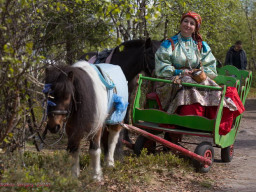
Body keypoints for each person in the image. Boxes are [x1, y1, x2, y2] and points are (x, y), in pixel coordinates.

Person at [154, 11, 244, 135]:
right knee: (188, 82)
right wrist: (178, 71)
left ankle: (207, 121)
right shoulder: (169, 43)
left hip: (193, 77)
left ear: (195, 28)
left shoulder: (200, 45)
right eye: (185, 21)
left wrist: (198, 72)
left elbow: (210, 67)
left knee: (205, 82)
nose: (188, 25)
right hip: (171, 79)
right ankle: (187, 120)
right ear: (181, 23)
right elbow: (161, 66)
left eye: (192, 23)